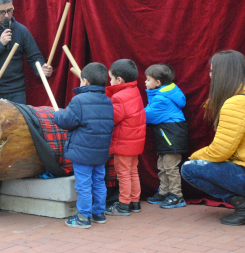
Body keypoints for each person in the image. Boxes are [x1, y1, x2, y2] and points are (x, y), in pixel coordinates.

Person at [181, 50, 245, 226]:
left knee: (190, 169)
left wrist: (195, 156)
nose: (209, 75)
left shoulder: (235, 103)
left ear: (224, 73)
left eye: (212, 71)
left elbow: (221, 151)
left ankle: (243, 207)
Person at [54, 63, 114, 228]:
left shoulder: (79, 100)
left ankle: (83, 217)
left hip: (82, 152)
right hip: (101, 152)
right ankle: (99, 213)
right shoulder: (107, 101)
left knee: (83, 184)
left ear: (85, 81)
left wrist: (57, 114)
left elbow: (67, 121)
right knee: (99, 182)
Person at [104, 59, 146, 216]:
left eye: (111, 78)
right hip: (134, 142)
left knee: (123, 175)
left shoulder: (119, 97)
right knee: (133, 172)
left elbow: (113, 118)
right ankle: (135, 202)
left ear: (119, 79)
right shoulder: (134, 90)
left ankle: (123, 205)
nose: (110, 81)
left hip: (123, 143)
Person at [144, 64, 188, 208]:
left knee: (170, 167)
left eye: (148, 79)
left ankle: (177, 195)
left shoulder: (161, 99)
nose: (145, 82)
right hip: (166, 135)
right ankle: (164, 192)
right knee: (162, 166)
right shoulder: (162, 95)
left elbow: (146, 115)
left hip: (171, 135)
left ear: (158, 83)